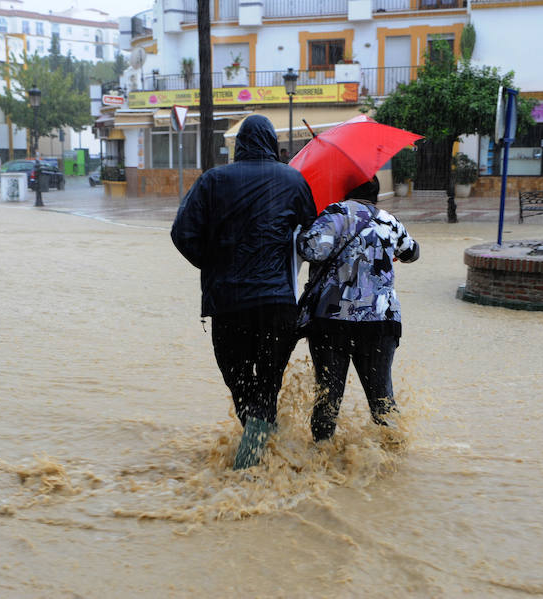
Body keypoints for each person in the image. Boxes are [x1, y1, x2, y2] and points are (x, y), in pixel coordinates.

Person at [170, 114, 316, 469]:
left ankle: (250, 462)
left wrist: (214, 265)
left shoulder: (212, 181)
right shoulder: (294, 181)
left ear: (240, 145)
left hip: (227, 305)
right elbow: (314, 239)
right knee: (266, 387)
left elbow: (181, 233)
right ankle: (262, 459)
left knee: (240, 385)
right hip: (278, 306)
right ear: (271, 143)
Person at [295, 176, 419, 443]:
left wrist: (308, 228)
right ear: (375, 194)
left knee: (328, 397)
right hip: (380, 322)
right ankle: (395, 458)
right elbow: (412, 252)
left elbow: (310, 250)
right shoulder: (389, 220)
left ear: (345, 190)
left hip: (331, 321)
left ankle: (322, 459)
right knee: (382, 399)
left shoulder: (335, 214)